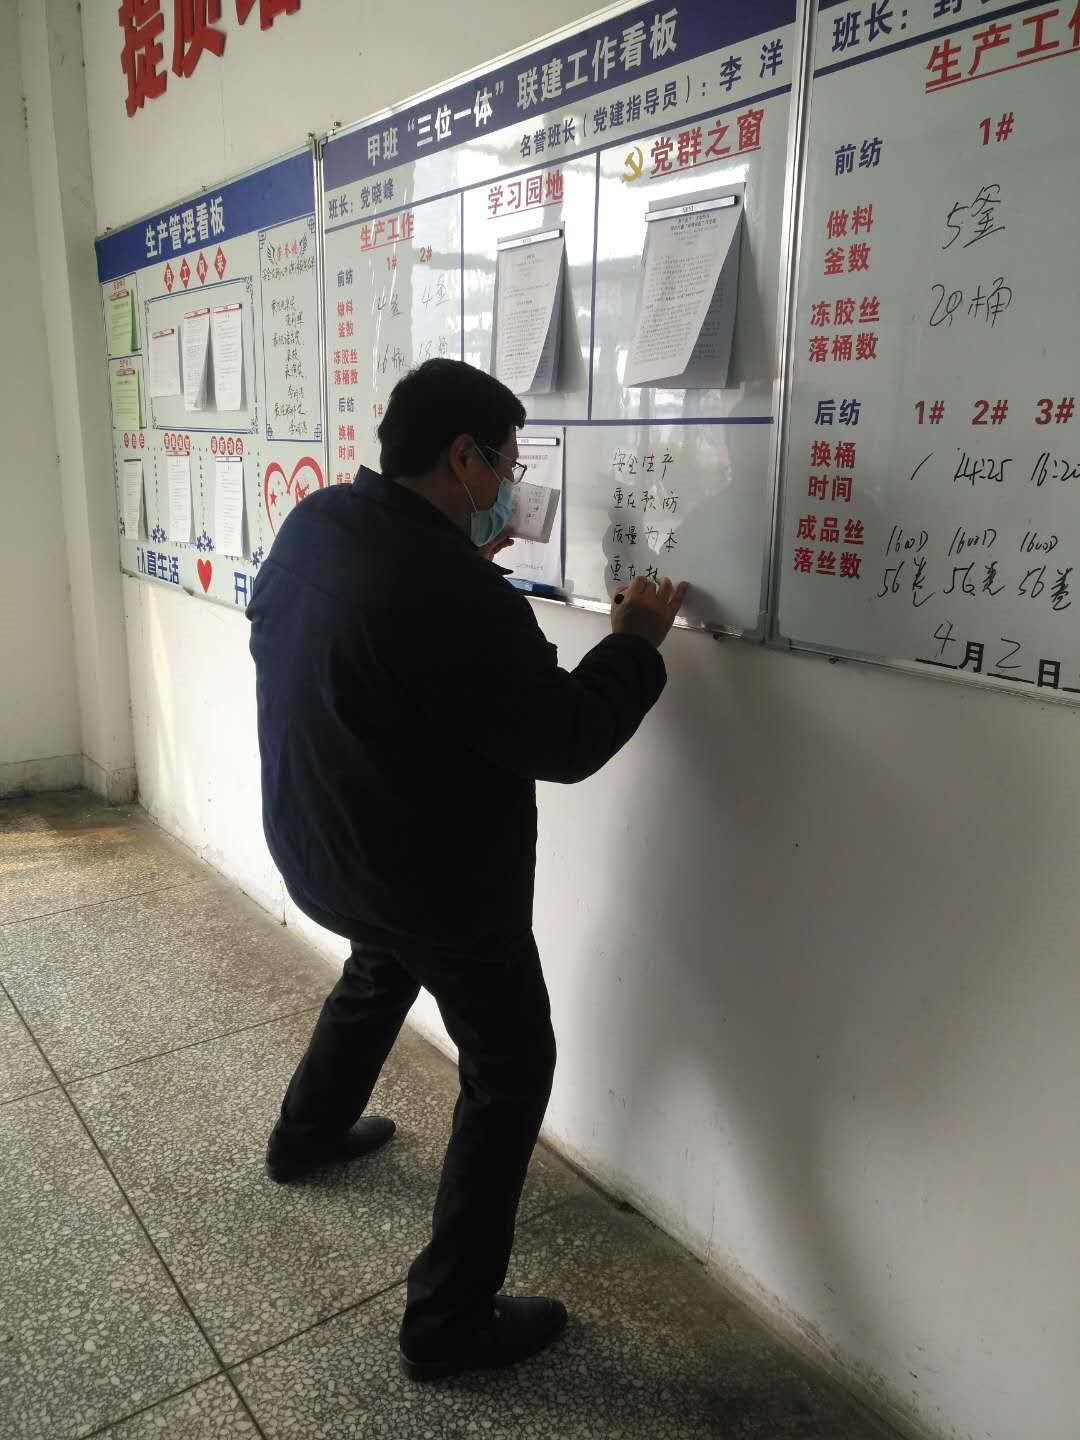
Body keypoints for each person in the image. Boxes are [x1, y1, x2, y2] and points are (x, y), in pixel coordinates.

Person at [246, 358, 687, 1382]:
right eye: (508, 464)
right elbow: (565, 738)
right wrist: (634, 643)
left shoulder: (318, 522)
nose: (510, 483)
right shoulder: (453, 593)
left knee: (379, 962)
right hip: (429, 882)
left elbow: (358, 647)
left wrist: (457, 570)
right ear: (464, 458)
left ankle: (305, 1135)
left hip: (321, 845)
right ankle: (448, 1322)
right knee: (511, 1064)